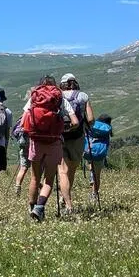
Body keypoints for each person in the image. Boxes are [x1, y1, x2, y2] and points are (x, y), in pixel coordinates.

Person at [20, 75, 78, 222]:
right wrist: (63, 129)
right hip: (54, 142)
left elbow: (23, 121)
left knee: (34, 178)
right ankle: (40, 207)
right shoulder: (60, 98)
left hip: (36, 141)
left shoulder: (34, 98)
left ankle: (32, 209)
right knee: (49, 180)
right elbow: (75, 122)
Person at [57, 73, 94, 215]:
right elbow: (90, 119)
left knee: (62, 172)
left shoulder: (57, 96)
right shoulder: (83, 96)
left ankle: (67, 203)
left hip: (60, 137)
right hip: (77, 137)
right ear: (74, 83)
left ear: (63, 84)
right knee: (71, 170)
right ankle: (65, 199)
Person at [12, 119, 30, 197]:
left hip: (23, 143)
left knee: (23, 168)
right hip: (34, 143)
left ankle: (17, 188)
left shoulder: (23, 117)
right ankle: (39, 188)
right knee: (37, 168)